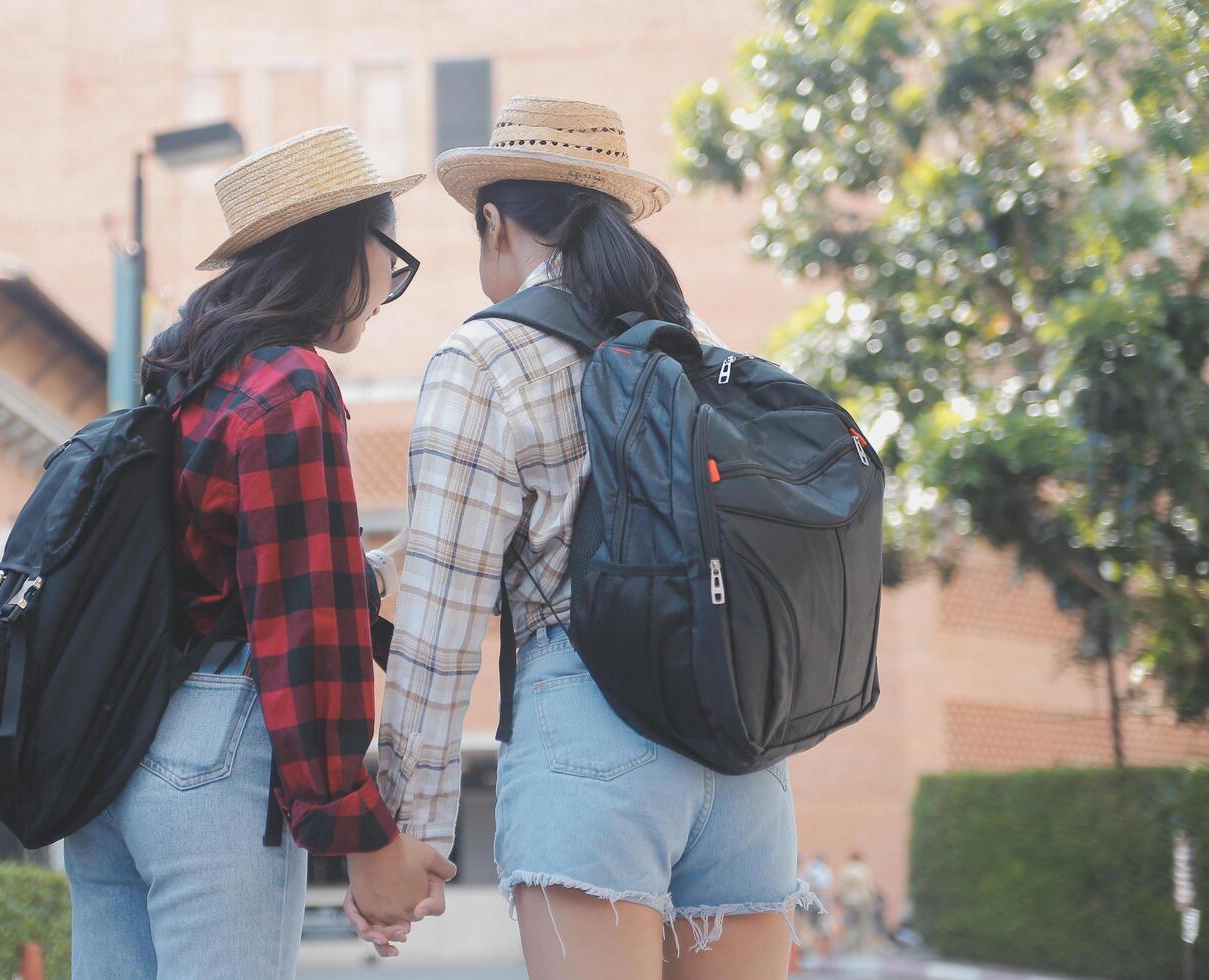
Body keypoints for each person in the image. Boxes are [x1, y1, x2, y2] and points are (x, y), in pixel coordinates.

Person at [346, 96, 821, 979]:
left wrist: (408, 828)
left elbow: (444, 628)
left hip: (593, 740)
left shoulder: (483, 357)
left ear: (494, 224)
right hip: (745, 755)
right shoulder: (703, 349)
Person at [63, 126, 454, 979]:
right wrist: (363, 834)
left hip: (111, 754)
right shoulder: (291, 383)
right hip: (215, 747)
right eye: (394, 259)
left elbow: (224, 573)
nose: (390, 285)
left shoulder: (184, 380)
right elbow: (301, 633)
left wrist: (374, 568)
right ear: (350, 247)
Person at [836, 851, 879, 954]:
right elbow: (869, 886)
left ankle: (849, 945)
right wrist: (872, 899)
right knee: (862, 924)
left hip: (848, 900)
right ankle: (860, 946)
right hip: (861, 900)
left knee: (849, 924)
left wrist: (841, 899)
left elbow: (841, 887)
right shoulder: (863, 869)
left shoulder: (845, 869)